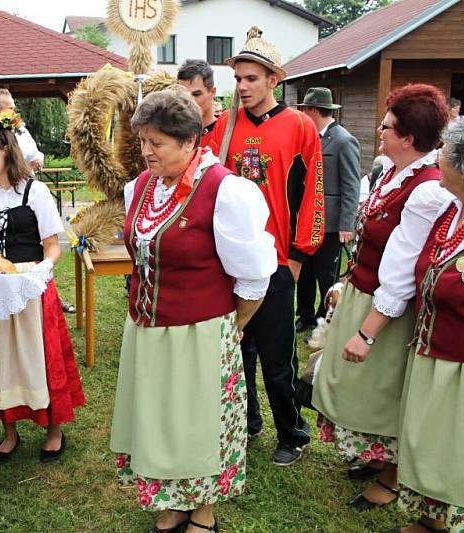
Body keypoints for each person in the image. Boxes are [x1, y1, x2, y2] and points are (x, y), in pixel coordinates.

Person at [110, 88, 276, 533]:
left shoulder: (226, 192)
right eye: (143, 140)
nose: (146, 151)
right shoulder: (140, 187)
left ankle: (203, 510)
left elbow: (255, 276)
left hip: (200, 331)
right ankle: (173, 501)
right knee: (163, 420)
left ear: (189, 143)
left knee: (199, 424)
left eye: (157, 143)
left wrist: (233, 325)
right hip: (148, 328)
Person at [312, 84, 450, 512]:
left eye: (388, 126)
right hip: (364, 290)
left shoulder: (427, 190)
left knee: (386, 391)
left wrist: (369, 331)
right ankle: (378, 459)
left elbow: (406, 270)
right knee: (359, 386)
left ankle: (393, 474)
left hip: (392, 308)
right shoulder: (392, 171)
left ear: (409, 137)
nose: (380, 130)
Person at [210, 29, 324, 466]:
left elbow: (313, 193)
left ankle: (291, 433)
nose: (242, 86)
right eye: (238, 78)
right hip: (231, 259)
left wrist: (299, 254)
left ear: (274, 79)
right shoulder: (224, 127)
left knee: (278, 355)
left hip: (276, 260)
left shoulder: (299, 127)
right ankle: (245, 421)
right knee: (235, 349)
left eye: (252, 78)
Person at [0, 109, 84, 464]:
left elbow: (53, 244)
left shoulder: (35, 192)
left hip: (29, 285)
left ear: (6, 150)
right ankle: (9, 431)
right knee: (1, 358)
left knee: (38, 355)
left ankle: (53, 429)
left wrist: (43, 270)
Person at [390, 115, 464, 533]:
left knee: (463, 451)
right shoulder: (453, 210)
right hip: (434, 352)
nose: (437, 158)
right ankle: (433, 521)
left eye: (444, 153)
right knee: (431, 443)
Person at [295, 87, 361, 333]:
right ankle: (306, 315)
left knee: (327, 275)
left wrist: (346, 224)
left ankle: (327, 319)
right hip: (309, 219)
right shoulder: (311, 136)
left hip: (331, 224)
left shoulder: (344, 140)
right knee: (305, 273)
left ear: (313, 110)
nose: (303, 114)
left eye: (305, 110)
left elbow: (351, 185)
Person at [177, 59, 219, 147]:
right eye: (183, 95)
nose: (189, 101)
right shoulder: (173, 133)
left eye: (196, 94)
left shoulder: (226, 132)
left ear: (212, 92)